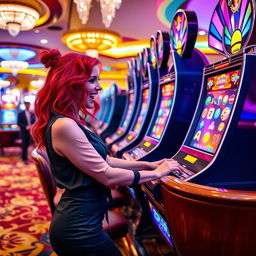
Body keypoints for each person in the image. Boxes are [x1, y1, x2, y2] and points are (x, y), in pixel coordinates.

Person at [31, 49, 183, 256]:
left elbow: (105, 160)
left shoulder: (71, 121)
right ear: (71, 82)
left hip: (84, 222)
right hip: (78, 231)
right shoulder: (64, 125)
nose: (99, 86)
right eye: (92, 80)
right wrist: (156, 174)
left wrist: (148, 165)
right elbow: (107, 175)